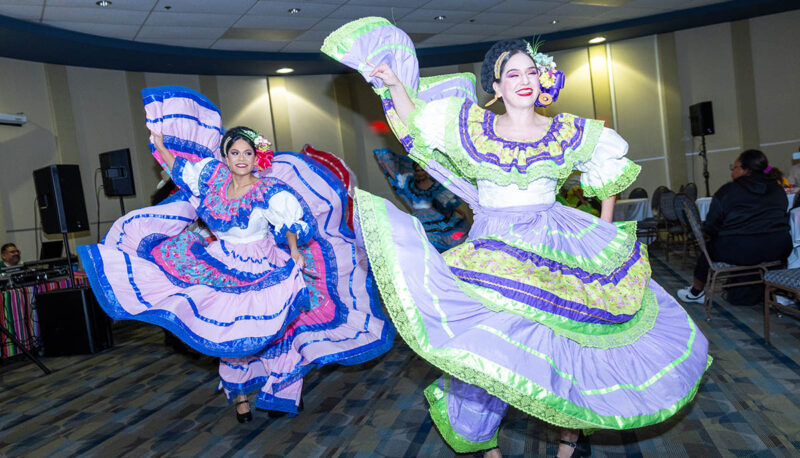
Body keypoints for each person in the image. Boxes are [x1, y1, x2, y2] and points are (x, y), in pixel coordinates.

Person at [322, 18, 711, 458]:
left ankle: (569, 440)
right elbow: (418, 127)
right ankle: (483, 443)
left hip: (557, 245)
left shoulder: (566, 130)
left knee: (563, 343)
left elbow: (608, 170)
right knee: (493, 344)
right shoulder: (469, 127)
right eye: (513, 74)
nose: (524, 80)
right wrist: (393, 83)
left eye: (531, 72)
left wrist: (603, 229)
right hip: (495, 248)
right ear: (496, 85)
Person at [77, 86, 394, 423]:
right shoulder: (211, 178)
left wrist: (294, 251)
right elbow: (180, 168)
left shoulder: (268, 189)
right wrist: (158, 142)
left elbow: (290, 222)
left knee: (278, 331)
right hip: (219, 262)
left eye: (247, 153)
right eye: (234, 153)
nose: (241, 159)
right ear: (225, 157)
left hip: (262, 263)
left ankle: (280, 390)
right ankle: (240, 397)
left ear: (257, 158)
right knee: (229, 333)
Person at [677, 149, 791, 304]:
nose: (732, 172)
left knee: (709, 249)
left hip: (739, 250)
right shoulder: (777, 189)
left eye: (735, 167)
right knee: (770, 242)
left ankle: (696, 292)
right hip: (777, 247)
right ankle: (781, 291)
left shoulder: (728, 191)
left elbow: (711, 226)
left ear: (745, 170)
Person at [374, 148, 468, 252]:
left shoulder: (435, 185)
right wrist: (385, 164)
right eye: (417, 171)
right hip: (421, 219)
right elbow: (396, 177)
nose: (420, 173)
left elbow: (447, 201)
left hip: (438, 217)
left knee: (454, 239)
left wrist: (460, 212)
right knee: (428, 244)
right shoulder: (410, 184)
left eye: (422, 170)